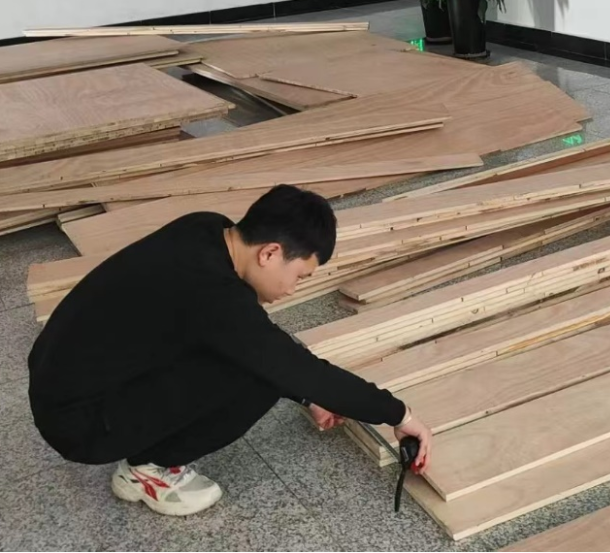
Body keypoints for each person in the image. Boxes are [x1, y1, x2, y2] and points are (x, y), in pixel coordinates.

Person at [28, 185, 433, 517]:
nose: (293, 288)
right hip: (81, 426)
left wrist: (308, 396)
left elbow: (255, 340)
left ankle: (142, 449)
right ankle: (149, 468)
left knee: (262, 358)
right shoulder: (216, 297)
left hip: (60, 380)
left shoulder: (205, 228)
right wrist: (399, 415)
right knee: (260, 377)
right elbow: (290, 364)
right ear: (270, 253)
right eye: (299, 275)